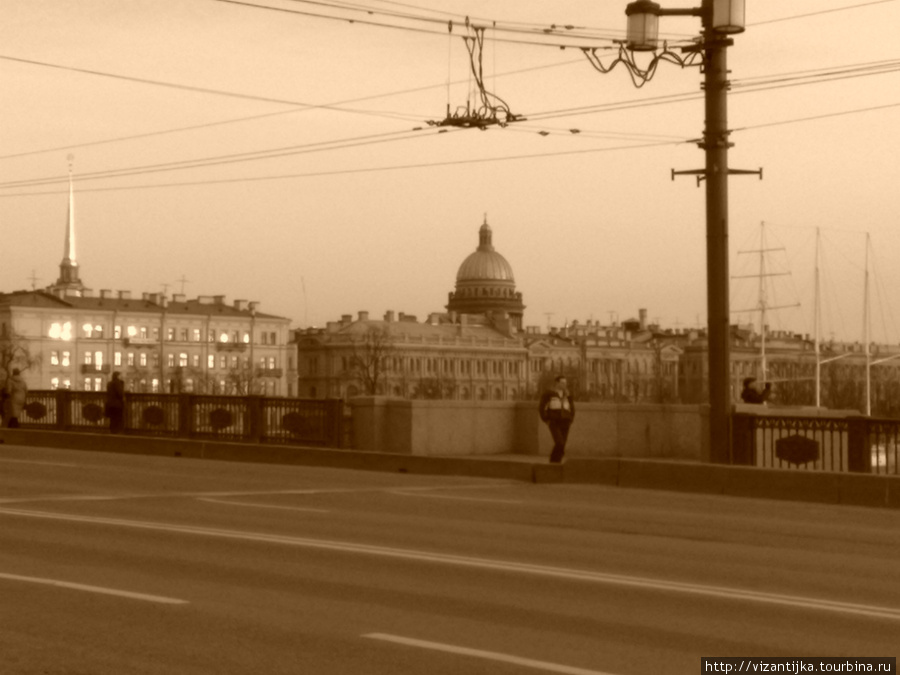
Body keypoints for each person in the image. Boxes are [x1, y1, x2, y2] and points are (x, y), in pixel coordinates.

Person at [539, 375, 575, 464]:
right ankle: (553, 462)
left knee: (563, 444)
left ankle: (557, 462)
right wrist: (546, 419)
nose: (565, 385)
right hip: (554, 422)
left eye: (566, 383)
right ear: (557, 383)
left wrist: (571, 419)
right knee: (559, 442)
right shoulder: (549, 393)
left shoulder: (567, 395)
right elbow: (541, 407)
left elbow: (572, 408)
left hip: (565, 421)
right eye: (562, 383)